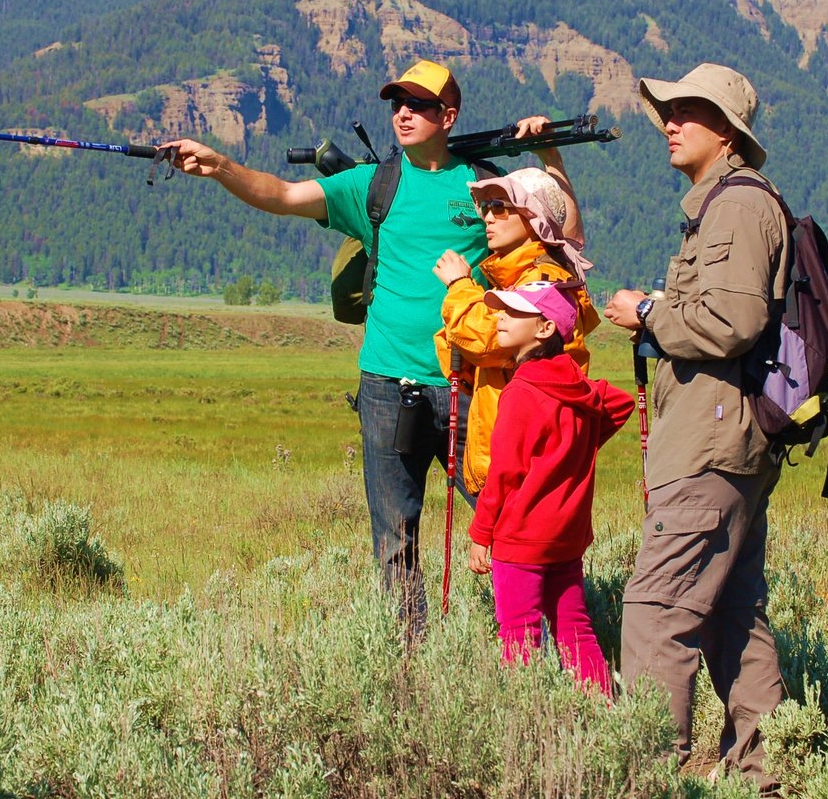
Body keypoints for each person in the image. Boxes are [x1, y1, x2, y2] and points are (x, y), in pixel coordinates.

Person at [162, 59, 579, 637]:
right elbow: (283, 194)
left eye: (418, 105)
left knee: (510, 520)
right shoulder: (372, 185)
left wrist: (551, 155)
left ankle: (528, 640)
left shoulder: (485, 185)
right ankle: (406, 661)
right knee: (394, 541)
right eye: (396, 104)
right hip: (387, 386)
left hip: (475, 387)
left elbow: (562, 236)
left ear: (448, 116)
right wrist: (220, 166)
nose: (402, 113)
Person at [604, 63, 789, 792]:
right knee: (731, 616)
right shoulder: (722, 204)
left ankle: (651, 774)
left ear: (728, 131)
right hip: (726, 443)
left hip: (711, 446)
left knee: (655, 614)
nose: (671, 122)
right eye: (670, 109)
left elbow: (734, 321)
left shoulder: (738, 206)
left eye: (689, 110)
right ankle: (765, 771)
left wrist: (648, 316)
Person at [466, 282, 633, 692]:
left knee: (519, 637)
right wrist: (576, 442)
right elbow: (620, 402)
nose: (500, 318)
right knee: (575, 630)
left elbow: (503, 474)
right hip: (566, 538)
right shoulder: (575, 386)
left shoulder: (522, 391)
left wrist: (480, 534)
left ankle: (528, 729)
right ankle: (605, 712)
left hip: (520, 538)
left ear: (544, 328)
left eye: (513, 312)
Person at [430, 167, 602, 497]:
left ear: (534, 218)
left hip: (523, 465)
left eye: (500, 206)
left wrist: (459, 286)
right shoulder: (521, 279)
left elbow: (486, 339)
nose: (488, 218)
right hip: (516, 458)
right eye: (485, 207)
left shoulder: (543, 282)